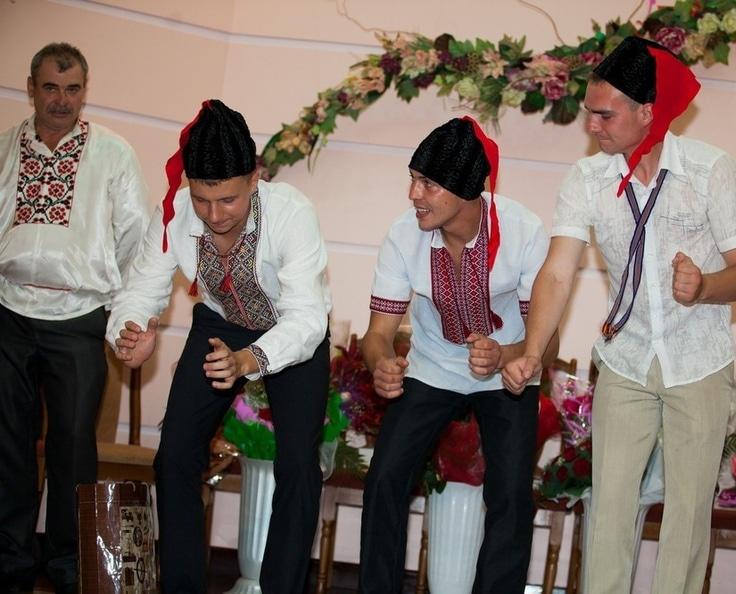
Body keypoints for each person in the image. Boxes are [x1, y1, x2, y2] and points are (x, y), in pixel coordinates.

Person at [502, 36, 736, 594]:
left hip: (699, 361)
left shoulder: (710, 170)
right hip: (624, 359)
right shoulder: (586, 179)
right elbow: (557, 272)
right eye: (589, 112)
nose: (592, 125)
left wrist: (706, 285)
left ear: (648, 111)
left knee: (687, 515)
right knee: (609, 507)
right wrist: (531, 351)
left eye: (605, 114)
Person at [106, 99, 332, 593]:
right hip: (219, 325)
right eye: (202, 199)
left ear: (254, 177)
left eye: (227, 200)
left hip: (291, 333)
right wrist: (130, 330)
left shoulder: (292, 213)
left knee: (298, 465)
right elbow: (141, 288)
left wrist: (249, 359)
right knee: (174, 457)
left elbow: (308, 317)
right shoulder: (175, 211)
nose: (213, 215)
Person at [358, 117, 557, 594]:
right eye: (413, 179)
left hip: (511, 369)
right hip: (431, 366)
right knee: (385, 477)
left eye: (428, 183)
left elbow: (546, 344)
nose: (413, 194)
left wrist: (507, 354)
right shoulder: (403, 235)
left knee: (511, 495)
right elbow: (377, 334)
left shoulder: (524, 232)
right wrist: (381, 363)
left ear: (468, 189)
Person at [0, 42, 150, 593]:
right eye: (50, 87)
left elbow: (136, 236)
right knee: (7, 443)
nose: (61, 100)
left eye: (72, 89)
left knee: (72, 445)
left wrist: (125, 310)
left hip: (80, 315)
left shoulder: (113, 152)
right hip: (8, 313)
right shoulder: (4, 148)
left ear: (85, 91)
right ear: (31, 87)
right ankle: (9, 561)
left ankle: (68, 565)